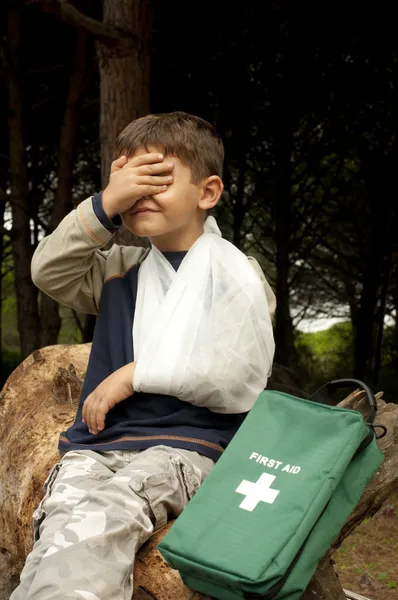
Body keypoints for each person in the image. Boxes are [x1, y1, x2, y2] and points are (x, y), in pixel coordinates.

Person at [11, 111, 275, 600]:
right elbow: (48, 271)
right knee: (59, 530)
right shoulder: (119, 269)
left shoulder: (238, 275)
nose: (140, 194)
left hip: (188, 448)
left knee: (106, 515)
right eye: (131, 182)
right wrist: (105, 204)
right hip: (97, 445)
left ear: (208, 192)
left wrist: (136, 374)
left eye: (158, 179)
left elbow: (236, 372)